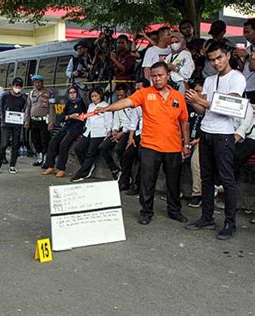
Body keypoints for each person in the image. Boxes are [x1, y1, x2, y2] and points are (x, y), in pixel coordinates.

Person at [97, 62, 190, 225]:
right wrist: (107, 109)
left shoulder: (178, 97)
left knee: (174, 182)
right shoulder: (145, 93)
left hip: (173, 147)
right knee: (147, 182)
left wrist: (186, 144)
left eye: (160, 75)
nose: (157, 78)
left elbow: (184, 122)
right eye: (153, 76)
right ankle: (146, 212)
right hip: (149, 146)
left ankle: (174, 211)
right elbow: (126, 102)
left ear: (168, 75)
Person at [185, 41, 247, 240]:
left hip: (224, 134)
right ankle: (207, 217)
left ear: (228, 55)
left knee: (227, 179)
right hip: (206, 131)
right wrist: (193, 101)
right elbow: (203, 110)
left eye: (219, 57)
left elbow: (231, 105)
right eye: (212, 60)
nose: (216, 63)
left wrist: (201, 100)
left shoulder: (237, 78)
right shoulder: (210, 80)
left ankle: (230, 222)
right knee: (206, 178)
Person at [42, 86, 86, 178]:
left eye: (74, 92)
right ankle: (50, 166)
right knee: (53, 141)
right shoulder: (68, 103)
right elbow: (61, 117)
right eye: (70, 93)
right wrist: (69, 117)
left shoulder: (82, 103)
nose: (72, 95)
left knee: (64, 144)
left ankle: (61, 168)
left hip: (77, 127)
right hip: (67, 125)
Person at [71, 89, 112, 182]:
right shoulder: (91, 106)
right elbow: (88, 119)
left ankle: (83, 173)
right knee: (78, 148)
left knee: (90, 153)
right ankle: (86, 167)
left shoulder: (106, 106)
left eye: (96, 96)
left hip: (100, 133)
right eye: (92, 96)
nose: (94, 98)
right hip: (89, 131)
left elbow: (109, 121)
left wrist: (108, 133)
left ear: (100, 95)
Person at [120, 78, 150, 195]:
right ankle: (124, 180)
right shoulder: (136, 101)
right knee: (127, 155)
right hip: (138, 133)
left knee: (141, 159)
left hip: (149, 133)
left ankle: (137, 185)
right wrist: (131, 138)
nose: (137, 91)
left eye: (139, 88)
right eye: (136, 88)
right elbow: (134, 120)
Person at [0, 77, 27, 174]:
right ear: (12, 86)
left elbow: (25, 109)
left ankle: (12, 165)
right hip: (6, 124)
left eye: (20, 86)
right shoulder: (5, 95)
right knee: (3, 144)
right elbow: (1, 108)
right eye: (16, 85)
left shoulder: (24, 97)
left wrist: (23, 120)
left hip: (17, 124)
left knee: (15, 145)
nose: (18, 87)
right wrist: (2, 120)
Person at [99, 84, 131, 180]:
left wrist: (122, 133)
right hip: (119, 130)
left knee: (119, 149)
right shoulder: (117, 105)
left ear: (127, 94)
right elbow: (116, 120)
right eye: (118, 95)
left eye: (122, 95)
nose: (119, 97)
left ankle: (125, 174)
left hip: (128, 130)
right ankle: (114, 170)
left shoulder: (132, 104)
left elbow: (132, 122)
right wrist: (115, 130)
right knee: (102, 147)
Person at [24, 74, 55, 167]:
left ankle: (46, 159)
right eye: (35, 82)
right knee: (35, 140)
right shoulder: (31, 93)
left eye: (38, 82)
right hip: (34, 120)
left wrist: (51, 121)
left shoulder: (49, 93)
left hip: (44, 120)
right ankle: (40, 157)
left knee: (44, 140)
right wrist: (26, 120)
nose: (37, 84)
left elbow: (52, 108)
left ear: (42, 83)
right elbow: (28, 107)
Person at [186, 81, 204, 208]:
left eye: (198, 92)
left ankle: (197, 194)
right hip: (188, 140)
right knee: (172, 156)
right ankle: (175, 191)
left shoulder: (208, 108)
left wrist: (198, 140)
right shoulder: (190, 106)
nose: (195, 93)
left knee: (195, 161)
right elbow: (184, 124)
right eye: (194, 91)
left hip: (202, 141)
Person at [240, 18, 255, 104]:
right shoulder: (250, 48)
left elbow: (253, 67)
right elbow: (244, 69)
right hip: (246, 87)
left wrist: (246, 55)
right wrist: (238, 58)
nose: (245, 35)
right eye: (244, 33)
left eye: (248, 32)